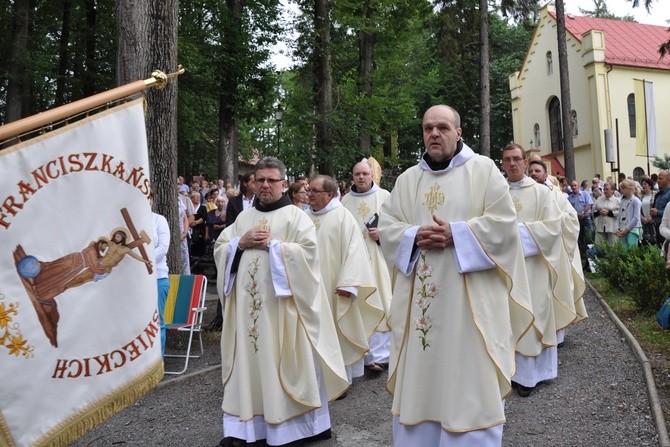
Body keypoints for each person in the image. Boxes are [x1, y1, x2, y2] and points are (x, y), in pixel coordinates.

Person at [377, 105, 533, 446]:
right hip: (421, 307)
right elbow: (387, 226)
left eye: (443, 127)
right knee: (422, 377)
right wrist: (414, 235)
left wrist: (458, 235)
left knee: (468, 377)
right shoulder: (407, 180)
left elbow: (505, 227)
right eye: (428, 127)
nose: (434, 133)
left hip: (469, 307)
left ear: (458, 132)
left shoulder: (484, 172)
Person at [213, 157, 348, 447]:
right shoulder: (244, 219)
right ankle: (246, 429)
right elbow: (221, 247)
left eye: (271, 180)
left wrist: (273, 246)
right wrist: (240, 243)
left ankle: (291, 429)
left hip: (283, 315)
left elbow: (309, 257)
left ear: (284, 183)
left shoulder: (297, 217)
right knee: (250, 368)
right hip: (248, 317)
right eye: (259, 179)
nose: (264, 185)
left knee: (281, 365)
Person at [306, 174, 383, 384]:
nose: (309, 195)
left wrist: (349, 283)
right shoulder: (304, 217)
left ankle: (342, 379)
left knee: (338, 330)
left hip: (335, 287)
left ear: (329, 194)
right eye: (308, 191)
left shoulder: (342, 217)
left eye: (314, 191)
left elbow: (355, 252)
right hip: (310, 288)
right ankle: (317, 377)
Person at [502, 144, 564, 397]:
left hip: (533, 267)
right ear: (503, 164)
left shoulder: (541, 193)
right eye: (507, 160)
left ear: (525, 163)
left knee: (533, 314)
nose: (513, 164)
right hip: (505, 268)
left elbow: (552, 229)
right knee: (508, 316)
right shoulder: (497, 193)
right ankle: (508, 371)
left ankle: (529, 376)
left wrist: (514, 234)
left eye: (517, 159)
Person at [341, 160, 393, 373]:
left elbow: (398, 227)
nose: (361, 177)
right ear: (352, 177)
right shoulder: (344, 202)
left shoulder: (385, 197)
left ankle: (381, 356)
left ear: (372, 175)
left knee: (381, 301)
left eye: (365, 174)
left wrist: (383, 234)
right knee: (359, 305)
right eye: (357, 174)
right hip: (354, 263)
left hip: (379, 258)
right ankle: (361, 355)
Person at [206, 173, 257, 332]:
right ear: (246, 184)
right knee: (228, 277)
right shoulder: (234, 202)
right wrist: (240, 241)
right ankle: (222, 318)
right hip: (237, 242)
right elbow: (230, 225)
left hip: (255, 244)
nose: (257, 184)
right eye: (254, 181)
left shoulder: (260, 201)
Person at [150, 193, 170, 357]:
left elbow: (163, 247)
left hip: (158, 277)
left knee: (158, 322)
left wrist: (144, 260)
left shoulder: (158, 220)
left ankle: (159, 360)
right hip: (137, 280)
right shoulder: (129, 221)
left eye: (148, 197)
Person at [568, 179, 593, 269]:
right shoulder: (569, 198)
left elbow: (589, 205)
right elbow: (569, 209)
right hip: (576, 220)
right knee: (579, 241)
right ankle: (582, 262)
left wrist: (582, 212)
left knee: (589, 240)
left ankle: (591, 264)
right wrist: (576, 214)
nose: (574, 187)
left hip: (586, 219)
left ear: (578, 186)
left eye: (575, 186)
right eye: (572, 186)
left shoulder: (585, 194)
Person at [616, 179, 642, 249]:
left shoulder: (636, 201)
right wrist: (617, 228)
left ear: (629, 189)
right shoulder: (622, 201)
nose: (621, 191)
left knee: (632, 250)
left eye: (623, 189)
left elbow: (636, 218)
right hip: (622, 229)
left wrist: (627, 229)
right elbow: (619, 216)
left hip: (632, 230)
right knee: (624, 250)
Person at [650, 170, 670, 247]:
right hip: (658, 227)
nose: (658, 180)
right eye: (658, 178)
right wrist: (652, 212)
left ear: (668, 179)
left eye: (661, 178)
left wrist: (658, 212)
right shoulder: (658, 194)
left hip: (667, 229)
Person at [640, 178, 657, 245]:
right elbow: (639, 210)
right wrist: (643, 218)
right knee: (646, 240)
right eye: (642, 184)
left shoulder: (655, 195)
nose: (643, 186)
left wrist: (651, 219)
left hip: (653, 221)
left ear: (650, 186)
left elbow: (657, 207)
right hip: (644, 222)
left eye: (645, 184)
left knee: (655, 239)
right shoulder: (641, 197)